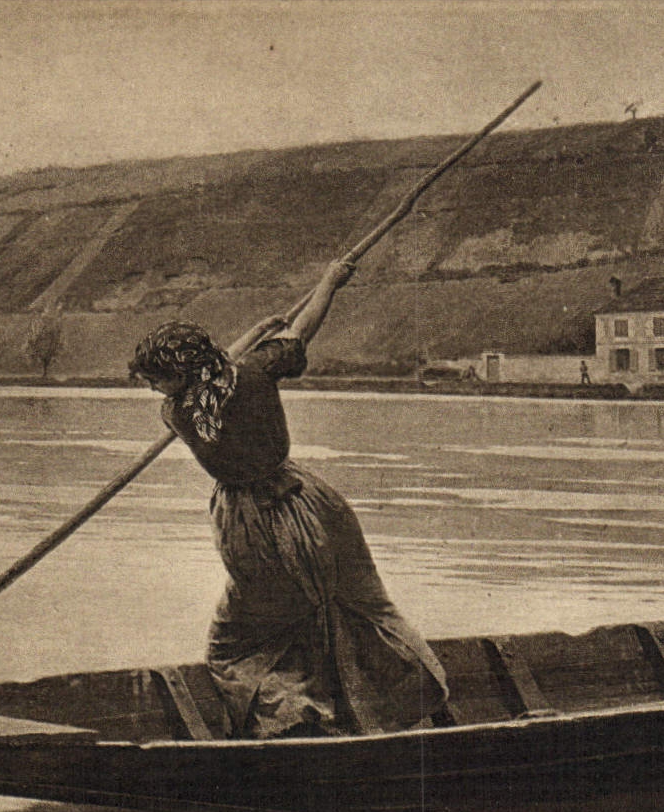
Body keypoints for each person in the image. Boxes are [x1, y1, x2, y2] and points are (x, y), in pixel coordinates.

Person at [129, 257, 447, 739]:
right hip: (314, 505)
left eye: (156, 379)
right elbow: (299, 333)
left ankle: (296, 718)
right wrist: (329, 282)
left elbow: (212, 376)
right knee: (357, 603)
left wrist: (248, 336)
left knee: (233, 644)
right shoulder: (254, 373)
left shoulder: (178, 412)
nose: (153, 388)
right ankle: (407, 690)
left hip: (255, 526)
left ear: (176, 380)